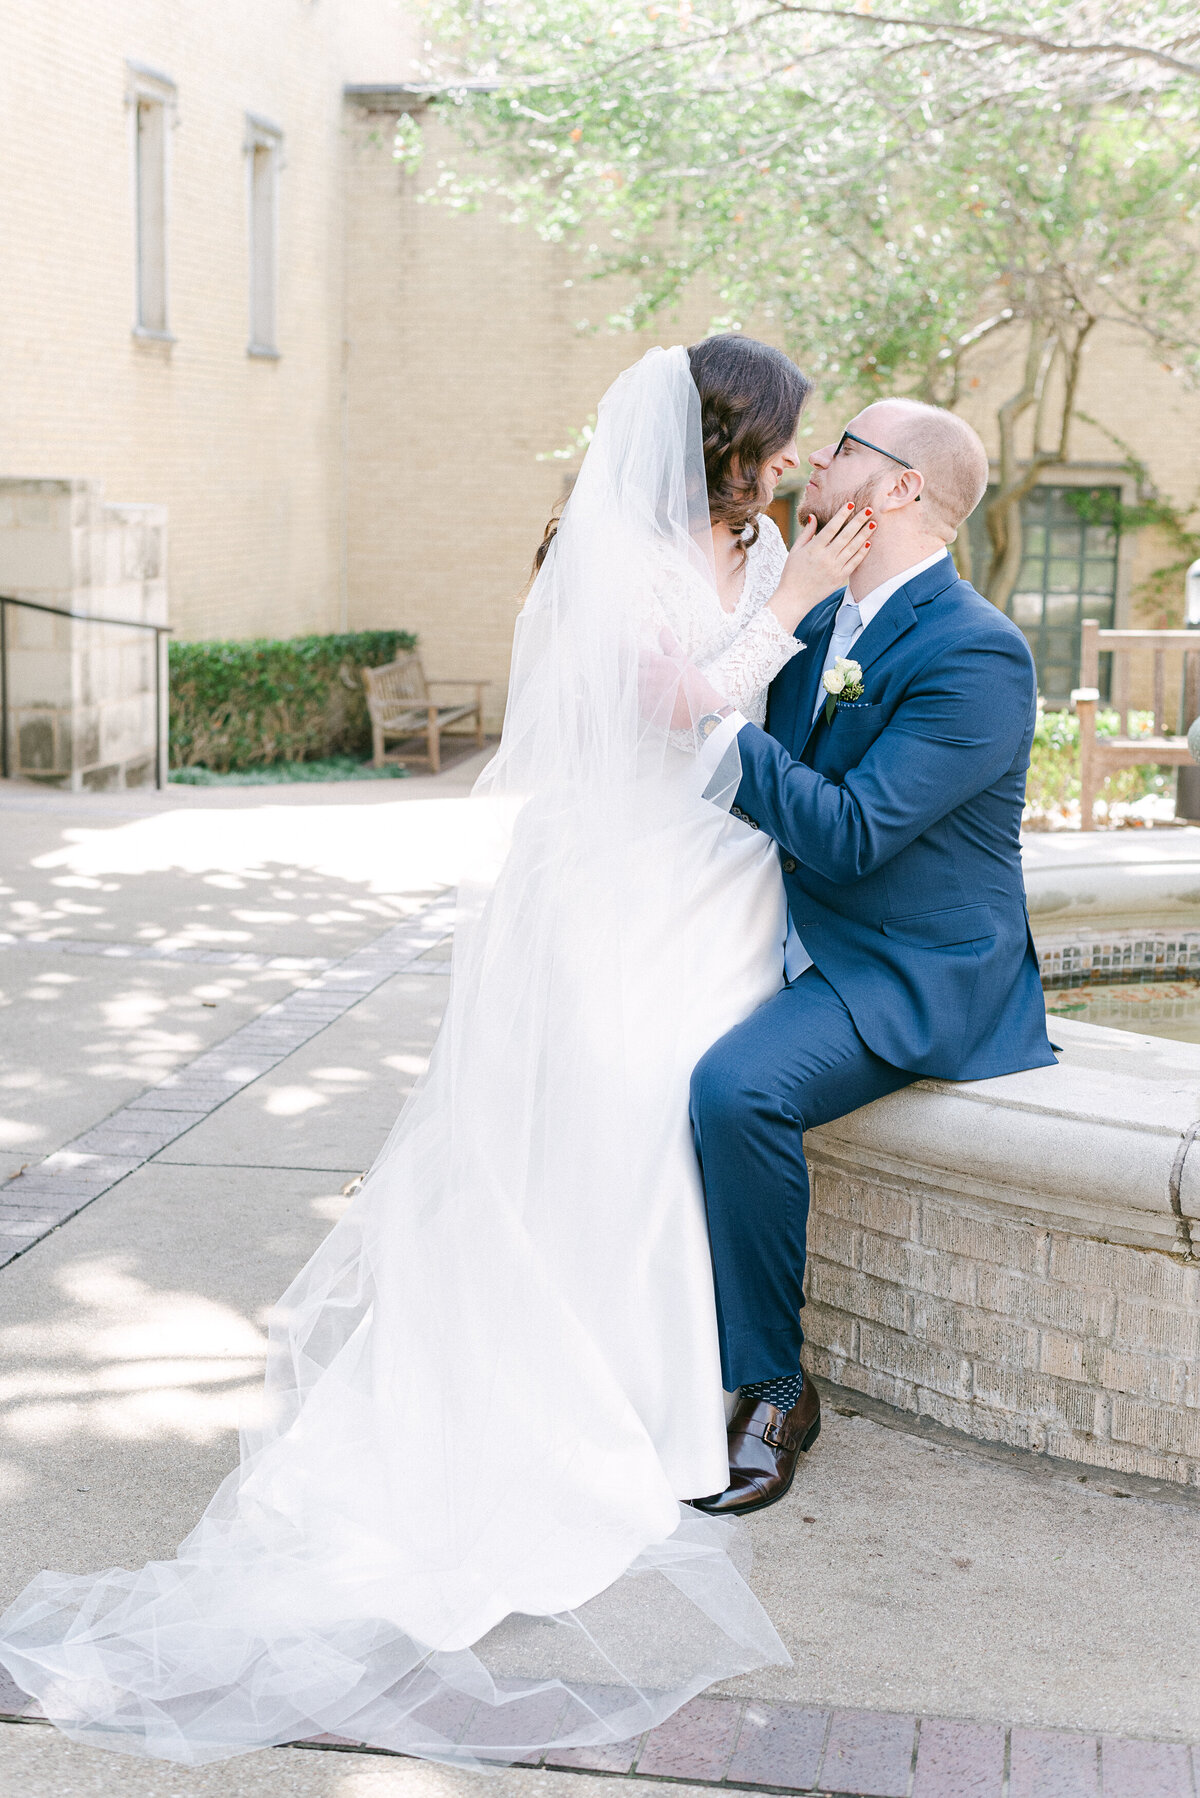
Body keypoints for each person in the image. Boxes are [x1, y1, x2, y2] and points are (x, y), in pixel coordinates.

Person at [0, 339, 871, 1769]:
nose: (792, 463)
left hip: (721, 884)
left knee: (671, 1124)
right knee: (596, 1118)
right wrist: (786, 603)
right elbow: (664, 712)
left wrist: (787, 586)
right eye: (778, 442)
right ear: (726, 441)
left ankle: (669, 1387)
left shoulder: (765, 539)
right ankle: (581, 1407)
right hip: (610, 881)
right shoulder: (624, 552)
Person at [676, 398, 1056, 1517]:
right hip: (781, 924)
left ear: (894, 490)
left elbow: (847, 830)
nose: (815, 463)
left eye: (843, 448)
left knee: (734, 1088)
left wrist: (708, 726)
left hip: (905, 963)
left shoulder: (977, 651)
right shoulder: (809, 611)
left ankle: (775, 1388)